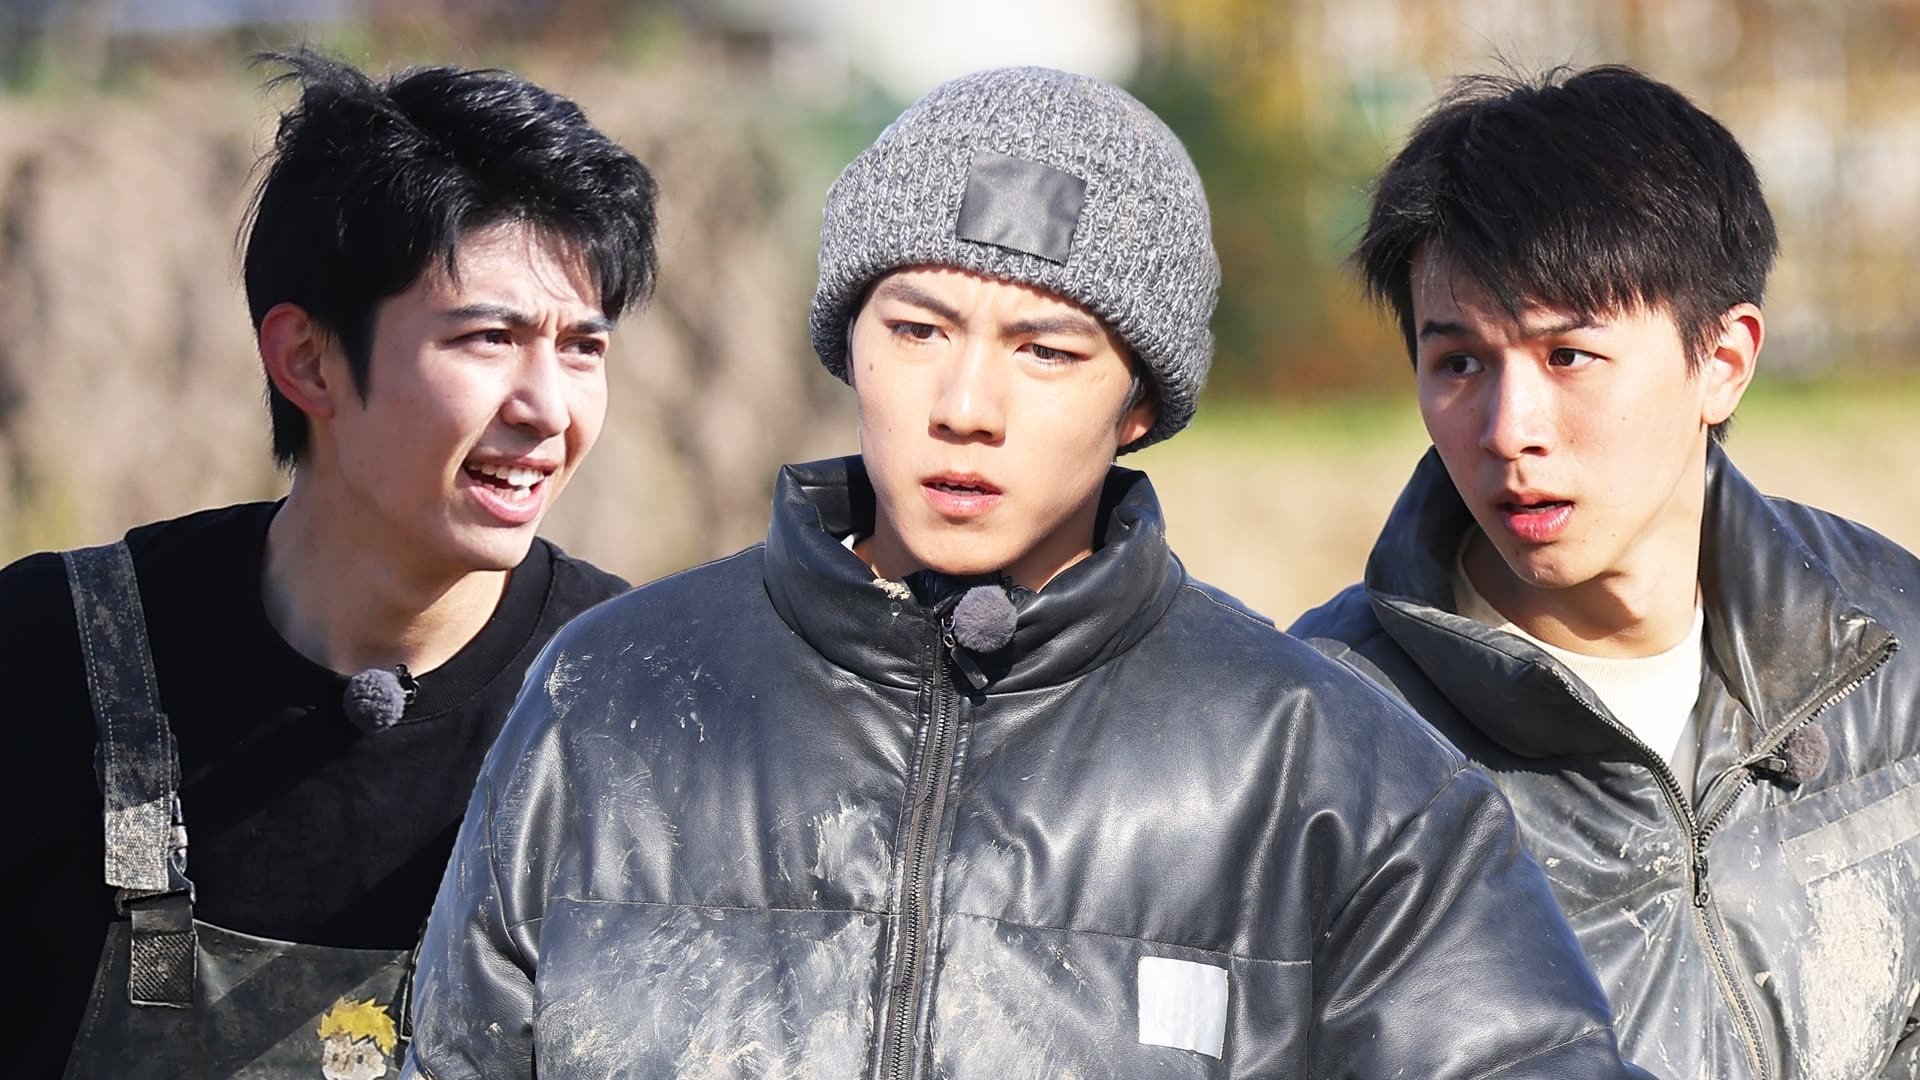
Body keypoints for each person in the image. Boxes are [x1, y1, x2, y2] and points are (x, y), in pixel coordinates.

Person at [403, 65, 1649, 1079]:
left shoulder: (1322, 769)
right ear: (849, 345)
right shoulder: (610, 699)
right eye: (916, 330)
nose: (965, 405)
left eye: (1046, 351)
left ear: (1141, 404)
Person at [1, 48, 658, 1078]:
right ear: (306, 360)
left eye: (583, 347)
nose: (547, 409)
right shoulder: (50, 656)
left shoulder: (647, 703)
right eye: (489, 337)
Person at [1291, 65, 1920, 1079]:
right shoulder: (1324, 731)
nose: (1510, 430)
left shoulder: (1888, 646)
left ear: (1722, 361)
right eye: (1459, 363)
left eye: (1568, 355)